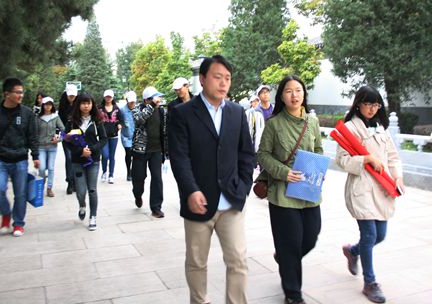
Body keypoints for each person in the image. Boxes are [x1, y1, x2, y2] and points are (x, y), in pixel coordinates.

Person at [168, 55, 255, 304]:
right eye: (218, 77)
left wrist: (243, 187)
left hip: (231, 200)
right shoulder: (182, 113)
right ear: (203, 79)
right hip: (198, 201)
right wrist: (191, 190)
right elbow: (179, 157)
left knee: (238, 261)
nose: (223, 83)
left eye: (227, 78)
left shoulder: (237, 112)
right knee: (197, 262)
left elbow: (246, 153)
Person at [257, 75, 323, 304]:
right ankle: (293, 294)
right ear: (282, 96)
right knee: (291, 242)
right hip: (282, 192)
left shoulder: (312, 122)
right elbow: (262, 154)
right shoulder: (274, 123)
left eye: (298, 90)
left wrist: (318, 168)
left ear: (304, 94)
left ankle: (284, 258)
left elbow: (318, 148)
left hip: (308, 190)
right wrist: (284, 172)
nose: (294, 95)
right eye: (288, 91)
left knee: (310, 237)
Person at [336, 86, 405, 304]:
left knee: (380, 235)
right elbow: (342, 160)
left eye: (376, 105)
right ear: (358, 104)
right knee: (369, 235)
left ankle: (352, 251)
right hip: (362, 188)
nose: (372, 109)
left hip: (382, 187)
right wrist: (365, 159)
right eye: (368, 104)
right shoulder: (349, 128)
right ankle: (370, 282)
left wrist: (398, 177)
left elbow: (392, 156)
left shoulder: (380, 127)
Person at [0, 77, 40, 237]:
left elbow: (32, 136)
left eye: (22, 92)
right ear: (7, 94)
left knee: (20, 194)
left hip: (20, 160)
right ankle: (6, 213)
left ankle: (18, 223)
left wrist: (35, 155)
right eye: (17, 92)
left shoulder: (26, 113)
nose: (21, 95)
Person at [65, 92, 107, 231]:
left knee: (92, 189)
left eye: (88, 103)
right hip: (77, 161)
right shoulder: (72, 121)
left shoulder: (97, 120)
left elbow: (103, 139)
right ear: (79, 104)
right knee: (81, 191)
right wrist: (80, 151)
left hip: (93, 160)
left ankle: (93, 216)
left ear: (92, 104)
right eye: (83, 103)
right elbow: (67, 140)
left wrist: (92, 149)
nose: (86, 106)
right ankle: (82, 205)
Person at [131, 86, 168, 218]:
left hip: (156, 150)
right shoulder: (137, 109)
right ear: (147, 100)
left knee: (157, 179)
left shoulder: (162, 111)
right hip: (140, 151)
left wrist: (166, 150)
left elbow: (164, 130)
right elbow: (139, 120)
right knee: (139, 178)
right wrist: (151, 106)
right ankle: (137, 194)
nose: (158, 100)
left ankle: (156, 208)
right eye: (155, 98)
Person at [36, 96, 65, 197]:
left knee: (51, 168)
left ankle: (49, 188)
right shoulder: (38, 118)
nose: (48, 106)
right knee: (42, 168)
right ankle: (42, 182)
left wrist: (59, 139)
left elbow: (63, 130)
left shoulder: (55, 117)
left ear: (52, 106)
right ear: (43, 106)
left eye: (50, 104)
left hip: (52, 146)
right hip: (41, 147)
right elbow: (34, 132)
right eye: (46, 104)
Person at [99, 89, 124, 184]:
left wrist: (120, 125)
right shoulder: (100, 109)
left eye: (110, 97)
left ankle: (111, 175)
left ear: (112, 98)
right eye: (107, 96)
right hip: (103, 136)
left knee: (112, 156)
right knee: (105, 155)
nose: (108, 98)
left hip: (114, 136)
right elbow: (95, 119)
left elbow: (121, 119)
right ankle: (104, 172)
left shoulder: (116, 109)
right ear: (104, 97)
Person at [59, 85, 78, 194]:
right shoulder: (62, 106)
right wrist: (64, 134)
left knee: (76, 158)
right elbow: (59, 123)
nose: (71, 97)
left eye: (73, 96)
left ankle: (76, 181)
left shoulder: (79, 105)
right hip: (66, 136)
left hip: (77, 135)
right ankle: (70, 182)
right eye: (70, 95)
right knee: (69, 158)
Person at [119, 90, 137, 181]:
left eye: (133, 102)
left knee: (135, 154)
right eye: (130, 102)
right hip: (126, 136)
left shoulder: (137, 109)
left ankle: (133, 170)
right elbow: (118, 120)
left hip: (136, 136)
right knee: (128, 153)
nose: (132, 103)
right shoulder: (122, 110)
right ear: (127, 100)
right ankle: (128, 173)